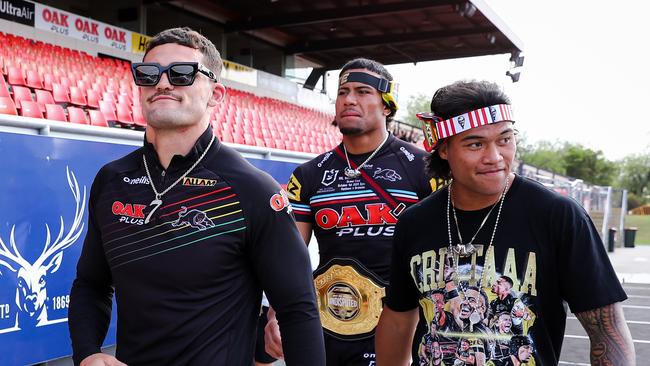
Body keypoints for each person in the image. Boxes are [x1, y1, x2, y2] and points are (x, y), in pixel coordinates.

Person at [68, 27, 325, 366]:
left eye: (182, 73)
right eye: (148, 74)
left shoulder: (251, 189)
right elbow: (91, 283)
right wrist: (88, 354)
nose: (162, 83)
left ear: (216, 94)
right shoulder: (112, 180)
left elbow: (297, 310)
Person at [375, 80, 636, 365]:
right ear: (444, 149)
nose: (495, 157)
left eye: (504, 139)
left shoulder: (558, 215)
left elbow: (607, 332)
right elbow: (399, 321)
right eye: (475, 144)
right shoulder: (415, 223)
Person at [264, 58, 437, 366]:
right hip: (326, 326)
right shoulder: (308, 175)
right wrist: (276, 313)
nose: (349, 99)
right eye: (343, 92)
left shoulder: (423, 168)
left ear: (387, 104)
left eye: (362, 91)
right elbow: (289, 257)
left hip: (399, 327)